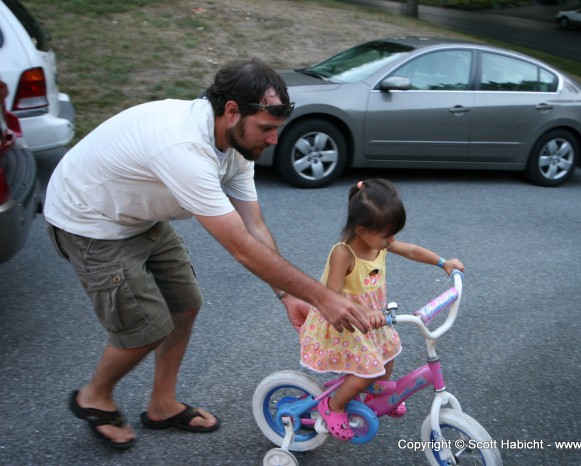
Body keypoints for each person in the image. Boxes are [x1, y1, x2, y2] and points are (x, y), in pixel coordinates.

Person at [43, 58, 371, 450]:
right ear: (232, 110)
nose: (274, 141)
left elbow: (254, 228)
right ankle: (93, 396)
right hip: (89, 221)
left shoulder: (235, 144)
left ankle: (162, 405)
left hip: (138, 215)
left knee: (184, 305)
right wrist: (322, 297)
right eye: (267, 129)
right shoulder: (185, 147)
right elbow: (240, 247)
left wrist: (289, 296)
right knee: (146, 327)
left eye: (277, 129)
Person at [298, 179, 464, 441]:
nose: (392, 240)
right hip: (345, 320)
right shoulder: (344, 253)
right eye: (387, 235)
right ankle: (333, 406)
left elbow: (410, 250)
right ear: (361, 230)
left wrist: (443, 262)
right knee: (367, 370)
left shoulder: (379, 243)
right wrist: (364, 310)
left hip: (372, 319)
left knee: (388, 355)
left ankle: (377, 393)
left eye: (393, 234)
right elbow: (332, 296)